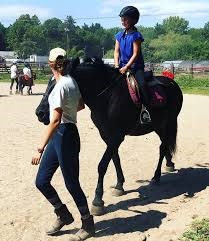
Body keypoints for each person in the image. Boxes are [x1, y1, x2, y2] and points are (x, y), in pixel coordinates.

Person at [31, 47, 95, 240]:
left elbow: (55, 121)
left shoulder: (60, 86)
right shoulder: (70, 81)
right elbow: (81, 105)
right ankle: (63, 214)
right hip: (62, 135)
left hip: (64, 134)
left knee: (71, 183)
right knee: (41, 180)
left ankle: (88, 224)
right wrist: (69, 110)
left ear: (51, 64)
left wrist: (39, 148)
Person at [114, 6, 151, 124]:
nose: (123, 21)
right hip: (120, 67)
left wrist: (126, 67)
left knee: (142, 84)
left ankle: (146, 110)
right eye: (122, 19)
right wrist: (116, 66)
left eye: (125, 19)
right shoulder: (119, 35)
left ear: (133, 20)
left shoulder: (136, 35)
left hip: (135, 67)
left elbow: (135, 54)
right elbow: (116, 51)